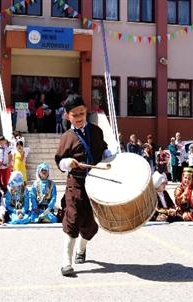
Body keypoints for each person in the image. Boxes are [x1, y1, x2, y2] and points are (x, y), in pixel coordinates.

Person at [55, 95, 109, 277]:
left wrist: (111, 157)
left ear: (86, 112)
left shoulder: (96, 131)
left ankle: (81, 248)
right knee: (73, 217)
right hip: (76, 183)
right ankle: (66, 261)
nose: (79, 117)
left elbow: (104, 149)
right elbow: (60, 162)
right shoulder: (66, 137)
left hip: (96, 182)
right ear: (67, 116)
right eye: (74, 114)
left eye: (82, 113)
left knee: (92, 223)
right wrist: (67, 162)